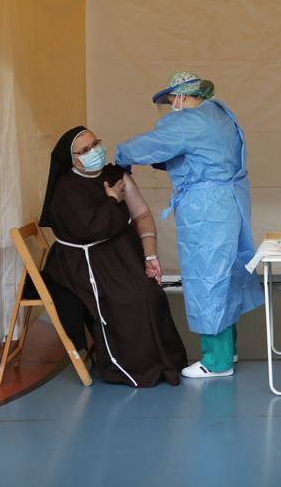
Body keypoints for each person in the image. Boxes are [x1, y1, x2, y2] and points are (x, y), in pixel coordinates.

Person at [115, 71, 263, 379]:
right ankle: (228, 349)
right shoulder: (220, 113)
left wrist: (121, 154)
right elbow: (201, 153)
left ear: (182, 96)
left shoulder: (187, 121)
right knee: (226, 275)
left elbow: (151, 145)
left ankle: (216, 361)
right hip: (230, 201)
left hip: (206, 208)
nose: (171, 107)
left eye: (171, 101)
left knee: (207, 278)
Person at [39, 126, 187, 387]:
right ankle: (130, 367)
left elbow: (141, 214)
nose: (93, 152)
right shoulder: (66, 189)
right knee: (129, 301)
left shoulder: (115, 175)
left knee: (152, 295)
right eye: (84, 150)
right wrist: (111, 200)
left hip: (119, 253)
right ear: (71, 158)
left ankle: (166, 362)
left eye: (95, 144)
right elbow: (91, 230)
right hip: (83, 261)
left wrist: (150, 254)